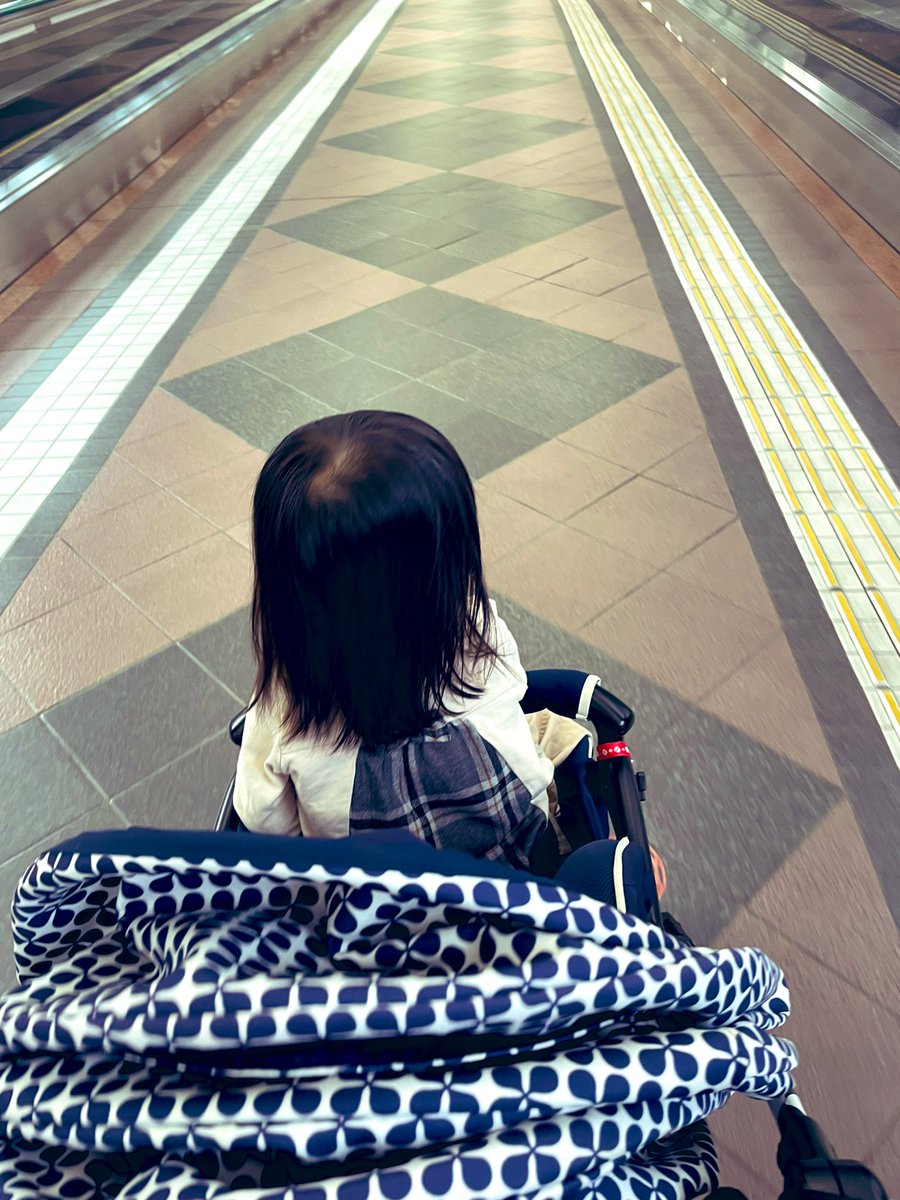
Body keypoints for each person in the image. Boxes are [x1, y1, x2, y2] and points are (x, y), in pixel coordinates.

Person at [233, 410, 555, 869]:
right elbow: (519, 721)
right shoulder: (476, 634)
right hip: (513, 877)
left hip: (373, 901)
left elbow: (267, 822)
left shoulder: (283, 706)